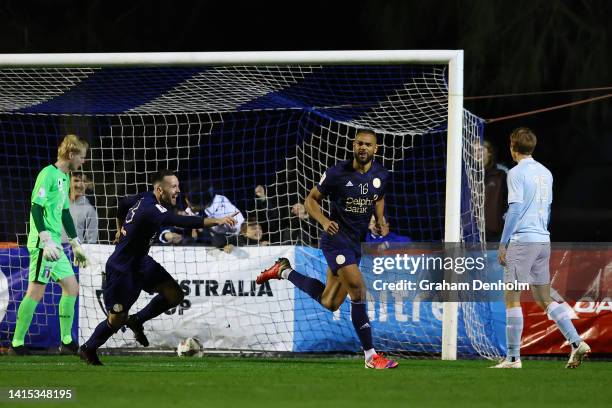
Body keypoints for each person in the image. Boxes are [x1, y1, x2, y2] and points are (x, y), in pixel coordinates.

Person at [257, 129, 399, 369]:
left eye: (368, 145)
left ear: (376, 149)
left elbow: (378, 197)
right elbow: (310, 200)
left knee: (330, 302)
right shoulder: (336, 173)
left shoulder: (381, 175)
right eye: (359, 143)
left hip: (356, 243)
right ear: (353, 146)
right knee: (358, 289)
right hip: (335, 240)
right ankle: (371, 356)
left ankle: (283, 271)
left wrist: (379, 220)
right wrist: (323, 221)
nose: (363, 148)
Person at [79, 169, 237, 365]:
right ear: (159, 190)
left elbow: (123, 204)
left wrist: (119, 228)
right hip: (122, 268)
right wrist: (217, 220)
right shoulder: (151, 209)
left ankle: (138, 320)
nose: (178, 190)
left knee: (175, 295)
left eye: (178, 186)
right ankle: (88, 347)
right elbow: (179, 221)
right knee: (116, 319)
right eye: (173, 187)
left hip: (142, 262)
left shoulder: (145, 196)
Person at [493, 127, 590, 369]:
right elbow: (546, 208)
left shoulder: (515, 173)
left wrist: (503, 242)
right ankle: (577, 342)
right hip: (542, 240)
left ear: (513, 148)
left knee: (511, 298)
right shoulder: (546, 172)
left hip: (523, 240)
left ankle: (513, 358)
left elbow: (514, 210)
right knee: (543, 297)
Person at [11, 134, 91, 355]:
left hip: (56, 246)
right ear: (72, 154)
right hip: (43, 245)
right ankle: (17, 344)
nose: (83, 161)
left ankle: (66, 341)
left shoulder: (65, 178)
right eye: (82, 157)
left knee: (72, 287)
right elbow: (36, 207)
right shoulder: (47, 174)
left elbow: (64, 212)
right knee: (35, 292)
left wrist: (75, 244)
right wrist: (45, 240)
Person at [61, 172, 99, 244]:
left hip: (73, 253)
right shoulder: (57, 203)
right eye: (76, 181)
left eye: (84, 181)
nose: (79, 185)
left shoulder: (90, 210)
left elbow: (92, 241)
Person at [483, 140, 508, 242]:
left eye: (480, 150)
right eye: (474, 151)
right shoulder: (467, 175)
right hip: (471, 231)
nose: (476, 154)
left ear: (489, 153)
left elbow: (509, 200)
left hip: (493, 231)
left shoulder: (501, 174)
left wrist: (502, 220)